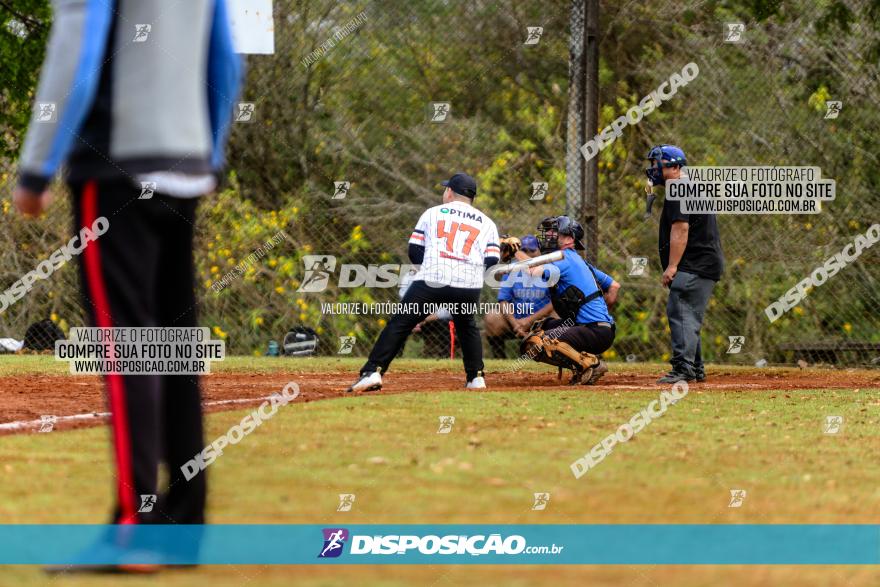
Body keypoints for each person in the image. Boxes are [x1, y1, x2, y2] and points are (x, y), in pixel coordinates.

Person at [13, 0, 242, 563]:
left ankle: (134, 528)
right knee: (174, 348)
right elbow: (225, 61)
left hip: (116, 165)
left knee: (129, 350)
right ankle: (183, 525)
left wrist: (37, 165)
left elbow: (76, 52)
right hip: (184, 166)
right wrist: (209, 153)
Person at [347, 172, 500, 392]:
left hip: (433, 278)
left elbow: (414, 250)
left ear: (450, 192)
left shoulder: (432, 213)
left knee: (401, 323)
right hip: (468, 284)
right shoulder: (487, 223)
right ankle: (476, 377)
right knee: (467, 326)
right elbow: (492, 260)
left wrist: (430, 267)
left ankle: (373, 372)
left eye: (445, 188)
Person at [646, 144, 724, 383]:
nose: (653, 168)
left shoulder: (679, 187)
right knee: (687, 313)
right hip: (703, 263)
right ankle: (694, 368)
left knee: (679, 309)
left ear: (675, 166)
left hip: (695, 263)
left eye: (657, 163)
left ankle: (683, 369)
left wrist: (672, 266)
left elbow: (681, 228)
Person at [515, 216, 620, 384]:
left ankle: (590, 365)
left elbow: (533, 270)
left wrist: (515, 251)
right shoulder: (577, 259)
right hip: (599, 329)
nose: (549, 236)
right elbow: (614, 286)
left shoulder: (563, 257)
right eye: (548, 232)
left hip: (594, 331)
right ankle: (581, 361)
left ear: (569, 239)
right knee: (541, 327)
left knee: (536, 343)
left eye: (555, 232)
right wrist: (602, 315)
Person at [483, 235, 553, 358]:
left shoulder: (548, 269)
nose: (529, 254)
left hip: (543, 321)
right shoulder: (513, 269)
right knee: (492, 317)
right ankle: (500, 360)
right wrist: (516, 324)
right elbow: (503, 301)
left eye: (532, 250)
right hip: (516, 322)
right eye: (525, 251)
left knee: (559, 314)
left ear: (540, 251)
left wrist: (529, 321)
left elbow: (554, 303)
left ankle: (554, 356)